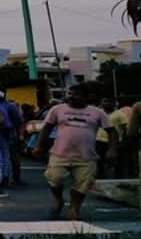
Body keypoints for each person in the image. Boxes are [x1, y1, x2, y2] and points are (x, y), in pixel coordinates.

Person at [33, 85, 117, 220]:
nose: (71, 96)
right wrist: (38, 146)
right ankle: (58, 199)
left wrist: (112, 150)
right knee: (54, 178)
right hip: (59, 154)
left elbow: (112, 131)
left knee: (82, 184)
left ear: (86, 96)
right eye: (70, 93)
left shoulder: (97, 112)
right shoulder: (57, 109)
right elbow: (47, 128)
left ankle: (74, 208)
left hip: (86, 156)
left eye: (76, 94)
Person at [0, 90, 23, 186]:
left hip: (7, 134)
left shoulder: (9, 106)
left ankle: (13, 177)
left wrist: (19, 135)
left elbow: (18, 121)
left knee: (9, 157)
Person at [96, 99, 128, 179]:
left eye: (109, 101)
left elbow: (125, 128)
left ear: (114, 104)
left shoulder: (120, 114)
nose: (107, 103)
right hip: (100, 141)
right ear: (101, 103)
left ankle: (119, 180)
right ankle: (101, 180)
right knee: (99, 163)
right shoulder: (99, 113)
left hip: (115, 142)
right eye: (105, 101)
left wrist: (124, 141)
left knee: (118, 164)